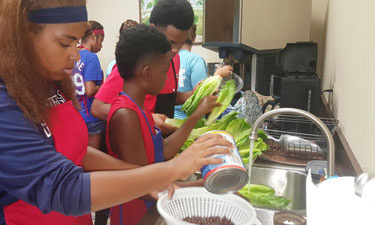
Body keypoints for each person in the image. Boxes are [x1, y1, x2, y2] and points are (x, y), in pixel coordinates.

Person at [0, 1, 232, 225]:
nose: (76, 55)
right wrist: (170, 169)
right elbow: (64, 188)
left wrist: (151, 177)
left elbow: (78, 151)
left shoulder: (50, 84)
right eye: (65, 43)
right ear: (23, 35)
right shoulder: (5, 105)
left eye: (77, 42)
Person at [107, 24, 221, 225]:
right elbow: (143, 187)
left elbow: (164, 150)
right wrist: (199, 185)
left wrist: (197, 114)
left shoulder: (140, 109)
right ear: (147, 72)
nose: (168, 76)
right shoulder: (125, 115)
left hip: (154, 209)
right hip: (136, 218)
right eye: (166, 69)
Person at [91, 0, 233, 134]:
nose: (175, 50)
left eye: (181, 43)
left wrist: (191, 94)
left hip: (159, 139)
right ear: (153, 29)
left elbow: (162, 98)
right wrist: (148, 118)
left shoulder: (174, 59)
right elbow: (97, 107)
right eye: (170, 42)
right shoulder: (136, 59)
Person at [73, 20, 106, 151]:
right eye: (101, 40)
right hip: (91, 117)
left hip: (76, 114)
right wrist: (106, 86)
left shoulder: (74, 55)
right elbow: (90, 90)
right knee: (95, 159)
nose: (101, 46)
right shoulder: (91, 57)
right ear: (93, 36)